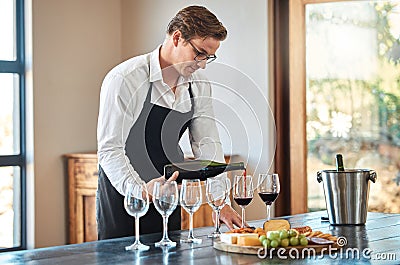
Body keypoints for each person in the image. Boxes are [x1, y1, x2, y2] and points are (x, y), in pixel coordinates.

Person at [96, 5, 242, 240]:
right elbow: (109, 150)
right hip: (124, 200)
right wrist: (141, 192)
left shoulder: (198, 84)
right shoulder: (125, 78)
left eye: (209, 57)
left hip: (168, 197)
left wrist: (220, 201)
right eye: (200, 53)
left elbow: (208, 143)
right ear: (177, 38)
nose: (202, 64)